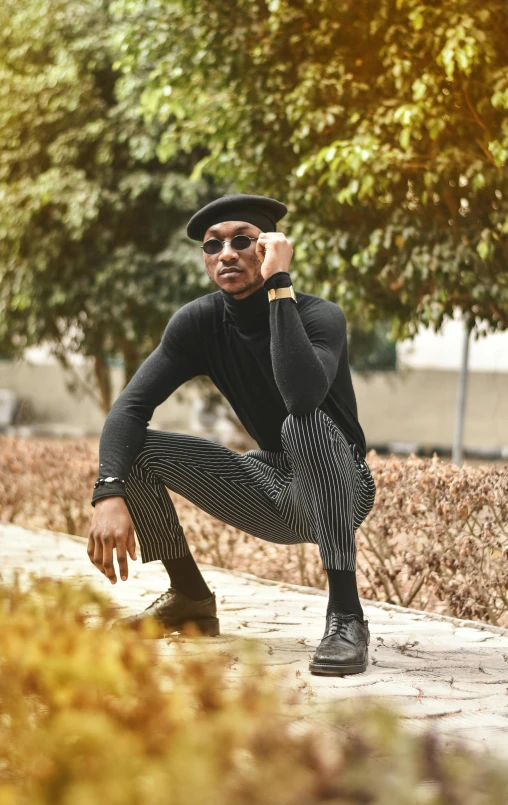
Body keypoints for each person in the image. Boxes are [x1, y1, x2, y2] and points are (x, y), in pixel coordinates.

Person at [87, 193, 376, 676]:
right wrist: (109, 491)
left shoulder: (319, 316)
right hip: (271, 485)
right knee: (133, 449)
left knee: (301, 423)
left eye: (243, 240)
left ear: (269, 248)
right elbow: (128, 409)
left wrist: (278, 284)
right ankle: (190, 599)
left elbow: (302, 397)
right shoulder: (198, 323)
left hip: (342, 483)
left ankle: (347, 616)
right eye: (213, 245)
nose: (226, 253)